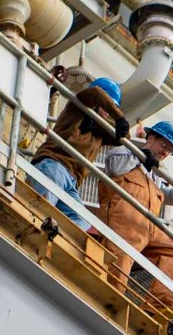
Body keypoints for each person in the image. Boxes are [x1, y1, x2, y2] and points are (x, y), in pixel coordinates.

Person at [96, 118, 173, 313]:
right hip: (122, 225)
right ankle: (106, 304)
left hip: (147, 230)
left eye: (169, 150)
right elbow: (116, 167)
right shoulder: (125, 150)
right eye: (163, 145)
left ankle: (157, 310)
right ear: (150, 137)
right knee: (118, 266)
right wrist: (141, 155)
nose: (165, 152)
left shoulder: (155, 174)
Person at [34, 78, 124, 225]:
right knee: (39, 209)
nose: (109, 112)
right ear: (97, 103)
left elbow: (123, 136)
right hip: (55, 165)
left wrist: (101, 124)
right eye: (108, 106)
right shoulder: (76, 107)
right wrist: (119, 117)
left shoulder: (100, 131)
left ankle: (52, 236)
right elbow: (95, 92)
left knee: (82, 221)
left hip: (73, 181)